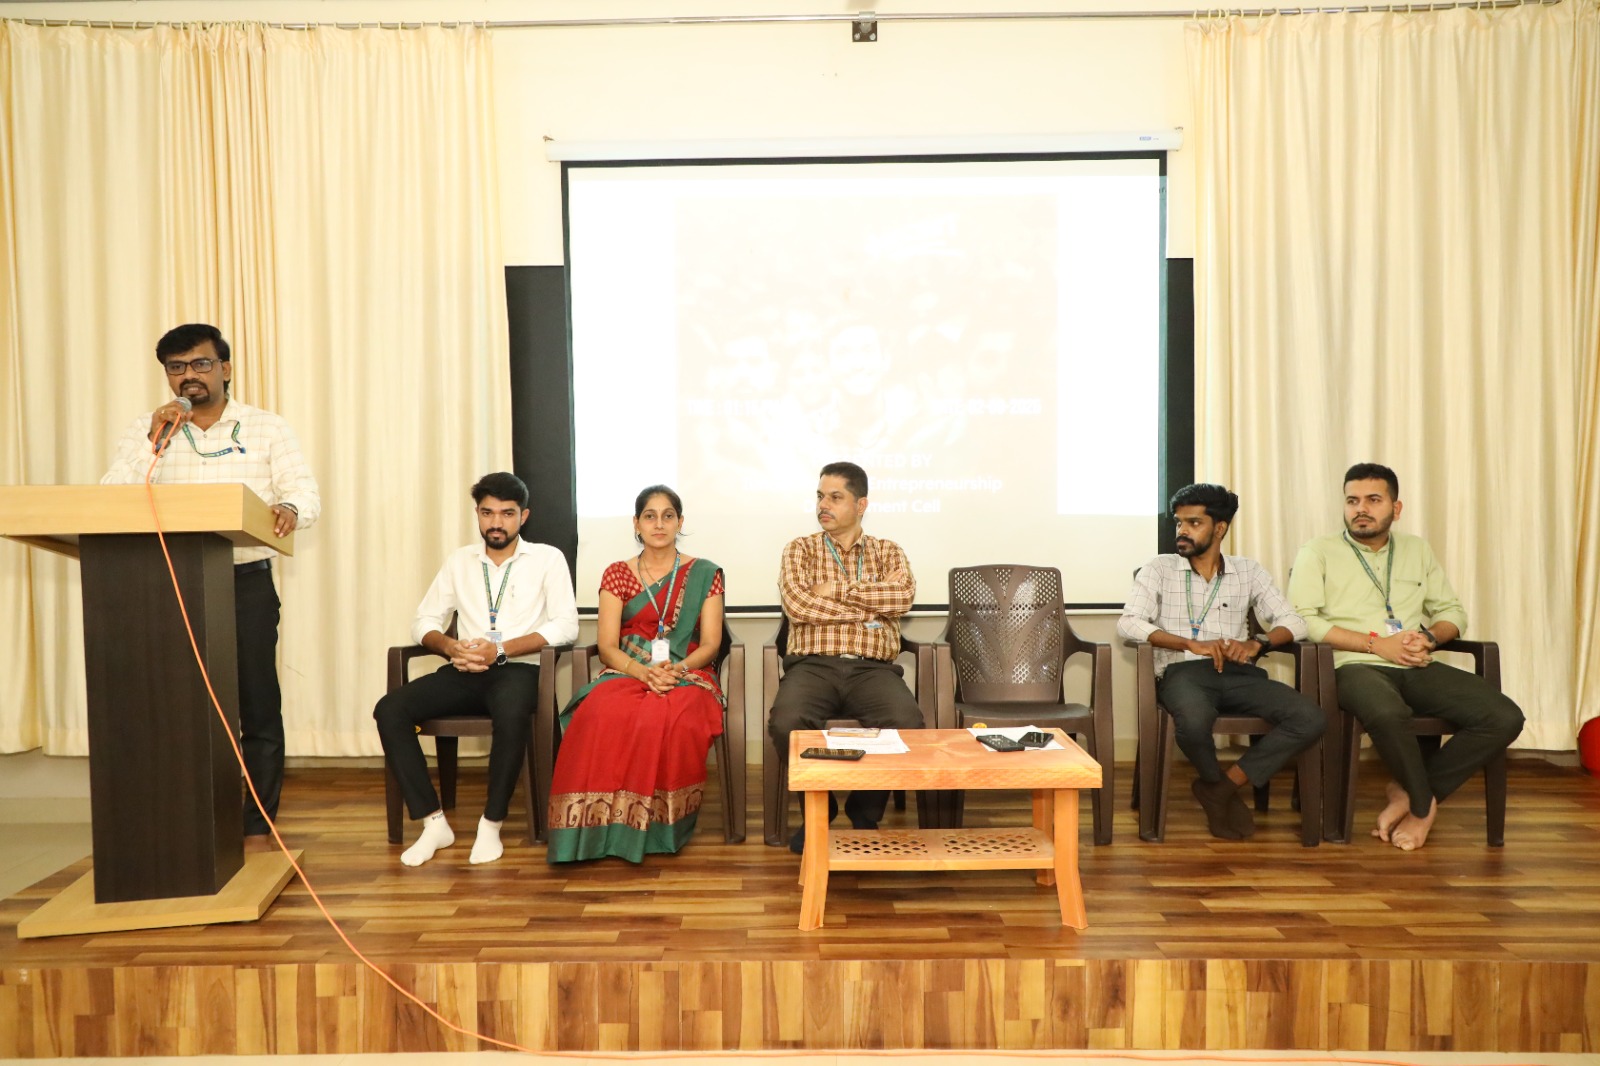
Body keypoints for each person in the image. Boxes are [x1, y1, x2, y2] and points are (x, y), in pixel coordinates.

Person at [102, 323, 320, 846]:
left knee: (255, 703)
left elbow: (304, 494)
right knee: (175, 702)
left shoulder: (266, 427)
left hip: (244, 583)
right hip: (167, 586)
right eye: (176, 368)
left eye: (200, 364)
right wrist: (154, 442)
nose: (189, 376)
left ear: (225, 368)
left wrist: (290, 508)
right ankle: (187, 814)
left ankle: (257, 821)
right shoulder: (149, 431)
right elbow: (112, 495)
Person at [1289, 463, 1523, 851]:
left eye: (1373, 500)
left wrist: (1429, 638)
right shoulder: (1318, 551)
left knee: (1504, 717)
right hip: (1352, 664)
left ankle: (1411, 793)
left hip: (1415, 663)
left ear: (1396, 509)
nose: (1360, 509)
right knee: (1387, 712)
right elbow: (1304, 620)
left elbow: (1452, 612)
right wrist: (1375, 644)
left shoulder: (1416, 549)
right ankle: (1422, 806)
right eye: (1352, 501)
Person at [374, 472, 579, 866]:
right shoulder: (460, 561)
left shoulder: (547, 559)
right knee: (390, 709)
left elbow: (566, 626)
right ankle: (434, 822)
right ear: (478, 514)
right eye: (487, 513)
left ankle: (491, 824)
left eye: (507, 513)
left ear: (524, 516)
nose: (496, 523)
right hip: (465, 670)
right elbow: (423, 621)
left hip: (519, 670)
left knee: (511, 709)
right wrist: (449, 646)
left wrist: (499, 650)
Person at [1119, 484, 1324, 840]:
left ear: (1220, 528)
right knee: (1194, 721)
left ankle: (1221, 789)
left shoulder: (1248, 571)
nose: (1182, 530)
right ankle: (1217, 787)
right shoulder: (1160, 568)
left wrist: (1257, 643)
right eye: (1179, 522)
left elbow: (1295, 622)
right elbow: (1128, 623)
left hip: (1239, 673)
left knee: (1310, 718)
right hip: (1183, 671)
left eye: (1193, 523)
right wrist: (1189, 643)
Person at [546, 486, 726, 863]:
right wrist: (644, 673)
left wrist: (675, 669)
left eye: (668, 516)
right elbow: (607, 646)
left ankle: (657, 829)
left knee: (669, 716)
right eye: (649, 516)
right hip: (627, 670)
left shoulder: (705, 572)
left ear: (680, 522)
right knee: (598, 713)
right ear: (636, 523)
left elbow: (711, 643)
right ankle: (595, 831)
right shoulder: (618, 573)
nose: (659, 524)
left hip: (687, 672)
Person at [769, 461, 925, 853]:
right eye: (820, 496)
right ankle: (818, 812)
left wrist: (836, 590)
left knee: (906, 722)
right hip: (813, 665)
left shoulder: (887, 551)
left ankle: (864, 810)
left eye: (835, 497)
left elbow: (902, 597)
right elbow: (799, 606)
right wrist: (868, 608)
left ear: (861, 504)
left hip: (872, 668)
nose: (823, 505)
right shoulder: (800, 549)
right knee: (787, 721)